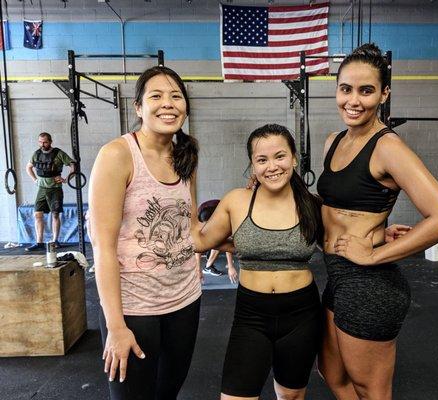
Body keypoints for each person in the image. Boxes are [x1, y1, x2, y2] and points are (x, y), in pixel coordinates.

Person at [316, 43, 438, 400]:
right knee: (332, 373)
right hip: (337, 276)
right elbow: (334, 205)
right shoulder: (333, 141)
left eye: (366, 91)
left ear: (384, 94)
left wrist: (376, 254)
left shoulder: (388, 147)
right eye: (346, 88)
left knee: (372, 390)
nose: (354, 100)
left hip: (370, 283)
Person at [89, 66, 202, 400]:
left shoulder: (186, 155)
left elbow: (192, 228)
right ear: (138, 107)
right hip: (135, 309)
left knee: (168, 393)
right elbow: (103, 248)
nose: (167, 103)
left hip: (185, 299)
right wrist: (116, 325)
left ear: (185, 107)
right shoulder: (117, 155)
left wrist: (249, 218)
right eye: (156, 96)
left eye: (176, 96)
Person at [192, 124, 324, 400]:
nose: (272, 166)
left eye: (280, 156)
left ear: (294, 158)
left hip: (302, 314)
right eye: (262, 160)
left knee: (290, 395)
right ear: (253, 165)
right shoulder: (237, 201)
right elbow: (202, 241)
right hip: (252, 314)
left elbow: (337, 242)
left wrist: (380, 234)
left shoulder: (312, 205)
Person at [25, 132, 75, 251]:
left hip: (55, 188)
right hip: (42, 188)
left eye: (45, 142)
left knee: (55, 214)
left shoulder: (58, 153)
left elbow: (73, 165)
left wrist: (67, 179)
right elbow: (28, 167)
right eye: (40, 142)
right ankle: (39, 242)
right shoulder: (36, 154)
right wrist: (35, 180)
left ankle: (55, 240)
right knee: (37, 214)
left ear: (50, 141)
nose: (42, 144)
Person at [195, 199, 238, 282]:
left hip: (222, 215)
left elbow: (226, 239)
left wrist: (231, 266)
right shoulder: (200, 222)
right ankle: (208, 266)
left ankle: (208, 266)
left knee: (219, 240)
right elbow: (198, 247)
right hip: (208, 212)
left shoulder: (225, 218)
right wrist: (198, 269)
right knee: (213, 241)